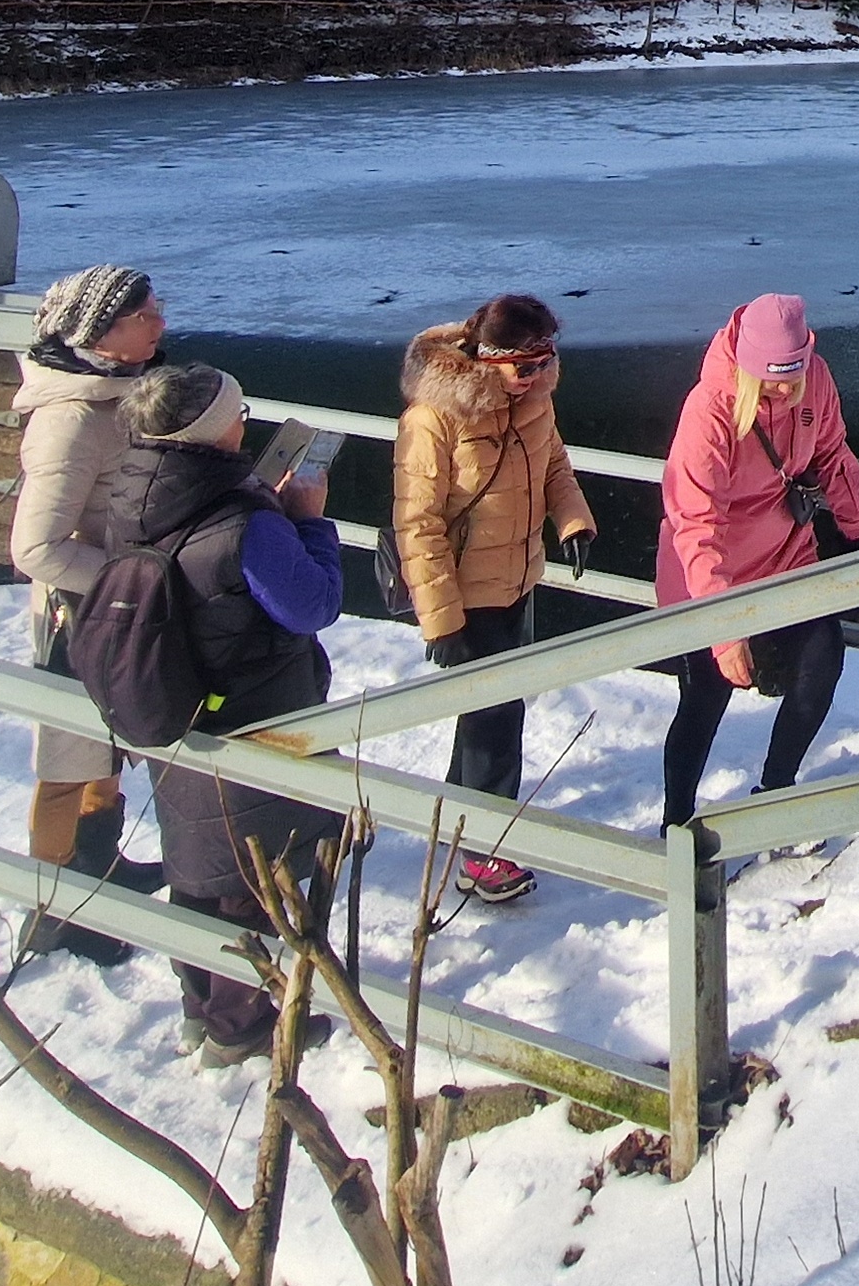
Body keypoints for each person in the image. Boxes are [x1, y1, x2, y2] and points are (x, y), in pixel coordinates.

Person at [114, 363, 346, 1068]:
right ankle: (241, 1026)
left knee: (197, 865)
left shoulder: (138, 490)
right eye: (239, 410)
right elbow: (313, 605)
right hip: (251, 713)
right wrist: (310, 523)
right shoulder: (243, 522)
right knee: (253, 877)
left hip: (173, 700)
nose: (247, 421)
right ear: (217, 428)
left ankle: (202, 1006)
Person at [390, 292, 595, 906]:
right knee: (496, 722)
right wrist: (442, 620)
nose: (534, 378)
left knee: (492, 714)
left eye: (544, 363)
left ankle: (460, 824)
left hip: (516, 579)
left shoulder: (533, 400)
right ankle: (482, 853)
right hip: (464, 593)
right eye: (522, 367)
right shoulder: (434, 419)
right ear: (486, 359)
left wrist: (573, 521)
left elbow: (554, 464)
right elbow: (418, 521)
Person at [659, 292, 859, 829]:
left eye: (794, 375)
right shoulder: (708, 411)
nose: (786, 387)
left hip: (786, 555)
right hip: (711, 576)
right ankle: (676, 822)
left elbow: (832, 455)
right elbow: (697, 526)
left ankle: (776, 790)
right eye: (774, 379)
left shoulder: (814, 379)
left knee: (822, 659)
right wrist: (726, 633)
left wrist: (858, 538)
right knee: (705, 698)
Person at [6, 262, 168, 965]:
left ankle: (101, 862)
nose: (160, 321)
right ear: (102, 334)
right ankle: (53, 905)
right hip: (82, 614)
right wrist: (126, 579)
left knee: (109, 744)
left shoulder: (121, 395)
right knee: (69, 755)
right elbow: (36, 546)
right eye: (145, 315)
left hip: (117, 609)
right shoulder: (70, 419)